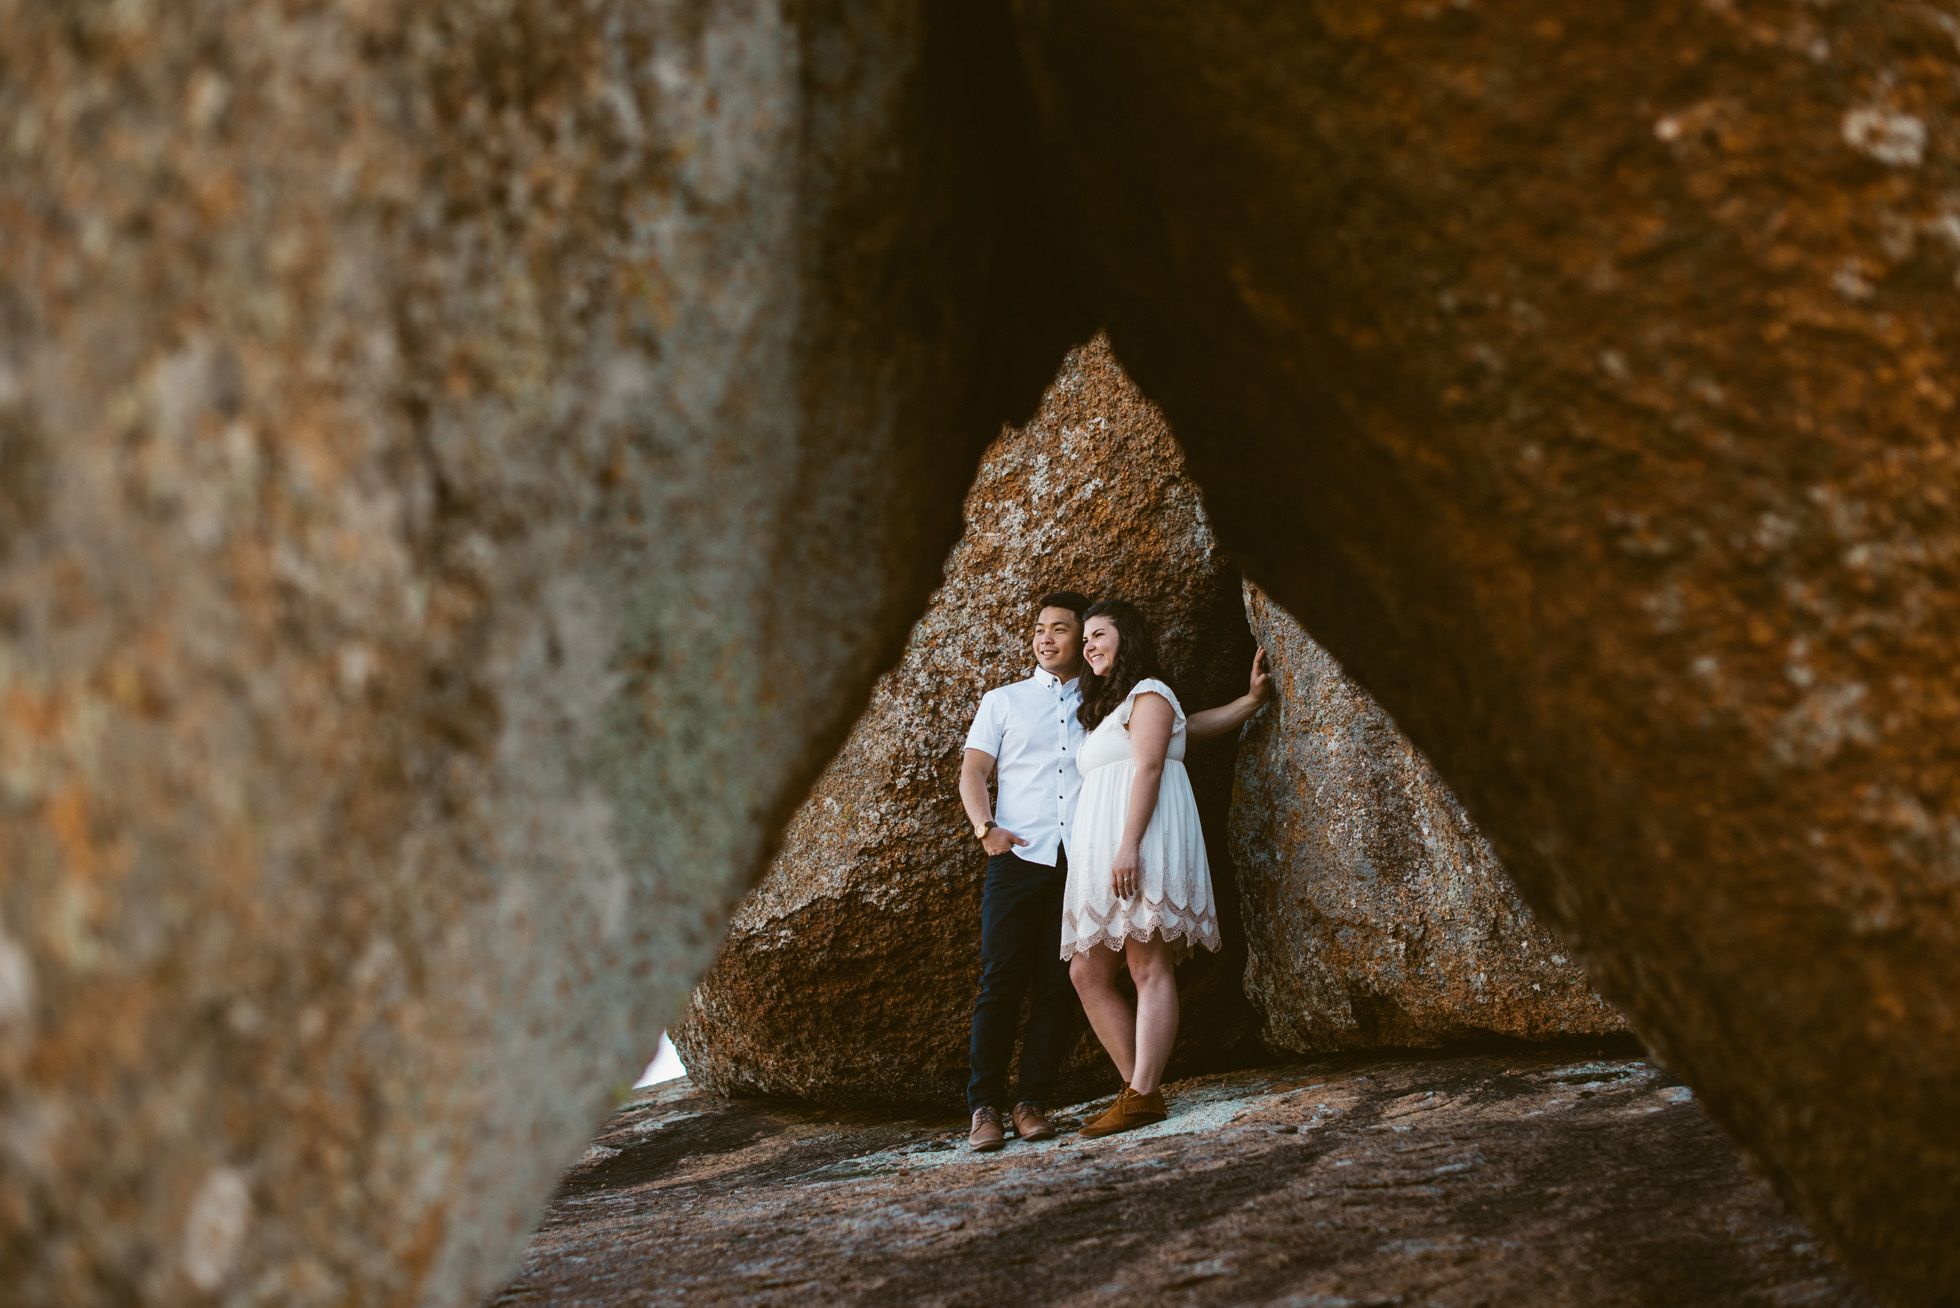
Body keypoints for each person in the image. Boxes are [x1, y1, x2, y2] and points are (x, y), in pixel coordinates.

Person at [959, 592, 1270, 1151]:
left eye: (1076, 632)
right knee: (1040, 977)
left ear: (1106, 637)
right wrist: (987, 830)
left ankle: (1095, 1096)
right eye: (1042, 629)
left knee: (1104, 972)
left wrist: (1248, 703)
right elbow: (972, 773)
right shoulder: (1039, 701)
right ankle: (1008, 1104)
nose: (1057, 640)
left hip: (1107, 852)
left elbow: (1166, 743)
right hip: (1050, 857)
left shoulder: (1125, 695)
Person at [1063, 599, 1269, 1138]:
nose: (1088, 646)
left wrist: (1128, 845)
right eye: (1084, 638)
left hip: (1138, 843)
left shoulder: (1149, 691)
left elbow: (1152, 764)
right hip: (1105, 851)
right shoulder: (1113, 706)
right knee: (1086, 971)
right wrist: (1245, 704)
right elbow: (1190, 729)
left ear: (1125, 639)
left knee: (1146, 966)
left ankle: (1143, 1093)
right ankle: (1138, 1088)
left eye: (1098, 635)